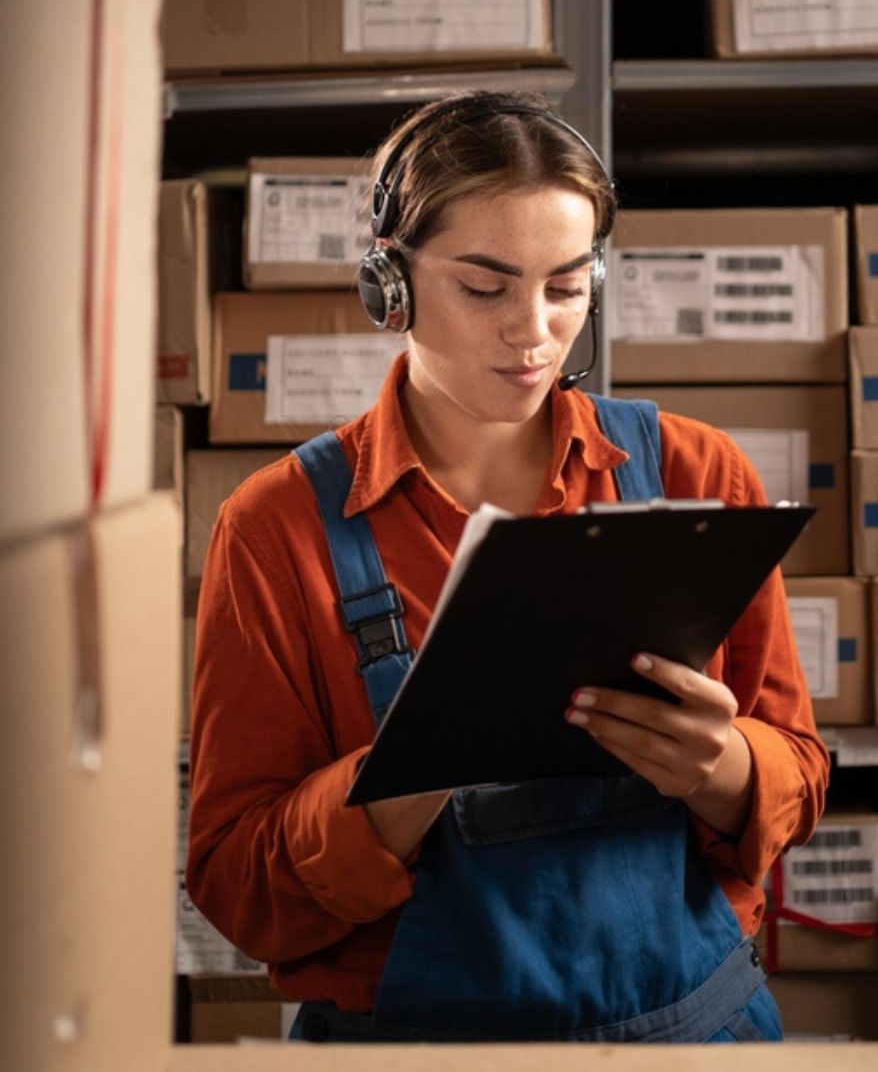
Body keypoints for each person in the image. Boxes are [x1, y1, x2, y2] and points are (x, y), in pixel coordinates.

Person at [186, 89, 829, 1044]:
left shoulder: (696, 474)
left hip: (693, 1033)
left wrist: (724, 766)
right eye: (484, 288)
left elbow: (801, 771)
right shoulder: (277, 530)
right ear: (389, 288)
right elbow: (239, 887)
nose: (532, 333)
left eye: (567, 287)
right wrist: (404, 779)